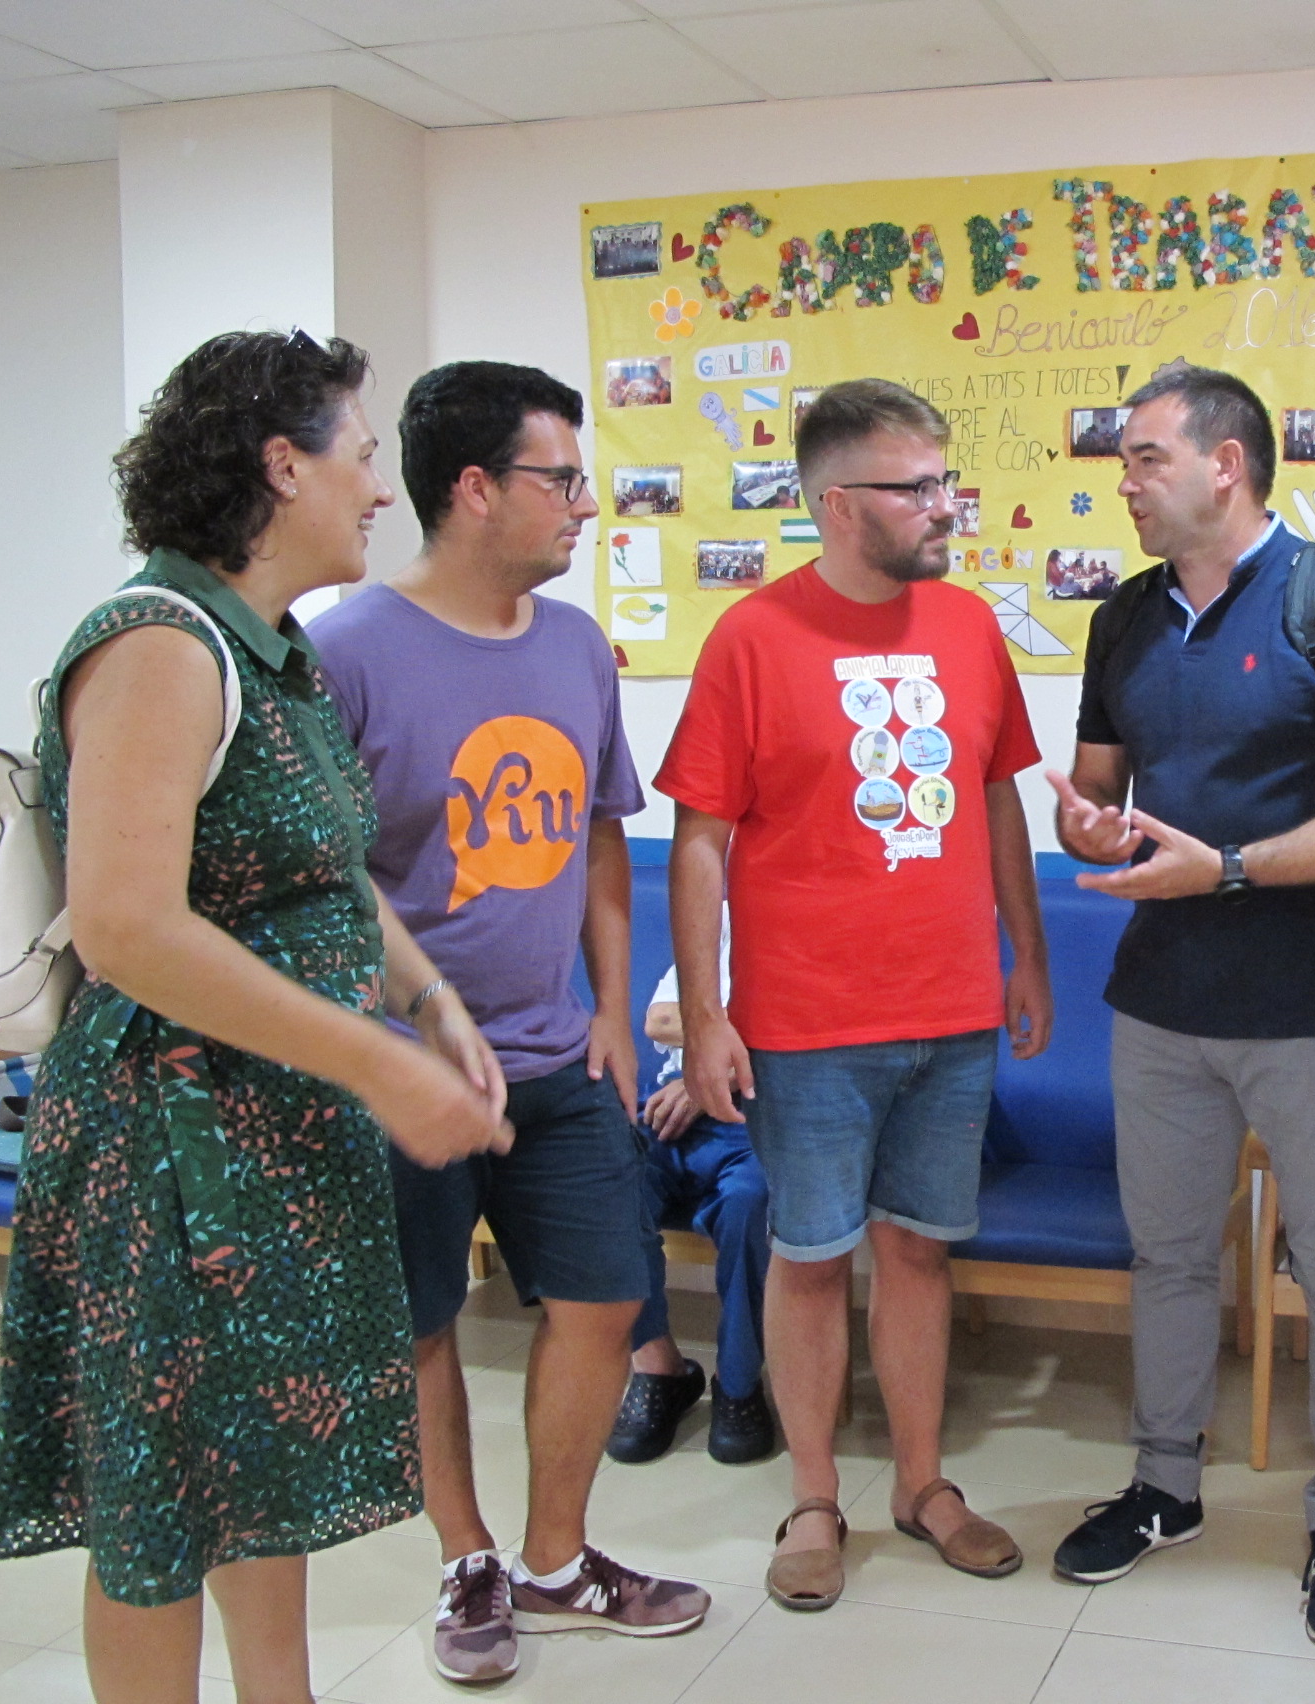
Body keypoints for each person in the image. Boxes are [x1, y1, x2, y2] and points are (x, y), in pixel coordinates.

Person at [0, 329, 509, 1704]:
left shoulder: (270, 649)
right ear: (283, 465)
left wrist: (427, 1000)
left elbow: (320, 871)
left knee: (255, 1473)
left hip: (274, 1126)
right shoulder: (160, 645)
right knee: (161, 1507)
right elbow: (128, 928)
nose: (380, 490)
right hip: (170, 1149)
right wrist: (377, 1067)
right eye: (361, 456)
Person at [312, 361, 708, 1686]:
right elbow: (326, 875)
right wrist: (389, 1040)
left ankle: (554, 1557)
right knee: (425, 1321)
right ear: (477, 489)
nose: (585, 506)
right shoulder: (346, 653)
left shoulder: (576, 646)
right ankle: (466, 1557)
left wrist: (616, 1011)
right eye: (564, 480)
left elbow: (599, 840)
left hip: (559, 1056)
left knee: (605, 1300)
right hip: (407, 1073)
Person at [1047, 364, 1315, 1649]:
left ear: (1226, 465)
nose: (1124, 480)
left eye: (1146, 457)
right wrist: (1087, 823)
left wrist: (1225, 867)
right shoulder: (1124, 618)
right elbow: (1099, 791)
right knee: (1166, 1253)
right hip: (1163, 999)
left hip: (1313, 1001)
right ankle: (1165, 1487)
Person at [658, 377, 1051, 1613]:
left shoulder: (969, 627)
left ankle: (923, 1485)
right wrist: (709, 1014)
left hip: (951, 1011)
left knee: (920, 1254)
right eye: (915, 486)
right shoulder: (752, 637)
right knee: (813, 1257)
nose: (944, 505)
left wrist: (1028, 956)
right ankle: (816, 1497)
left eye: (946, 480)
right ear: (837, 503)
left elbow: (996, 797)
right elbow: (699, 840)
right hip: (808, 1022)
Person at [605, 918, 775, 1469]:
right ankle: (659, 1370)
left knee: (750, 1204)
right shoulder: (720, 922)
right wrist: (741, 1044)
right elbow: (658, 1019)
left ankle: (738, 1383)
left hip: (760, 1116)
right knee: (611, 1187)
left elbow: (809, 1036)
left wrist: (710, 1069)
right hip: (669, 1106)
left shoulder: (819, 928)